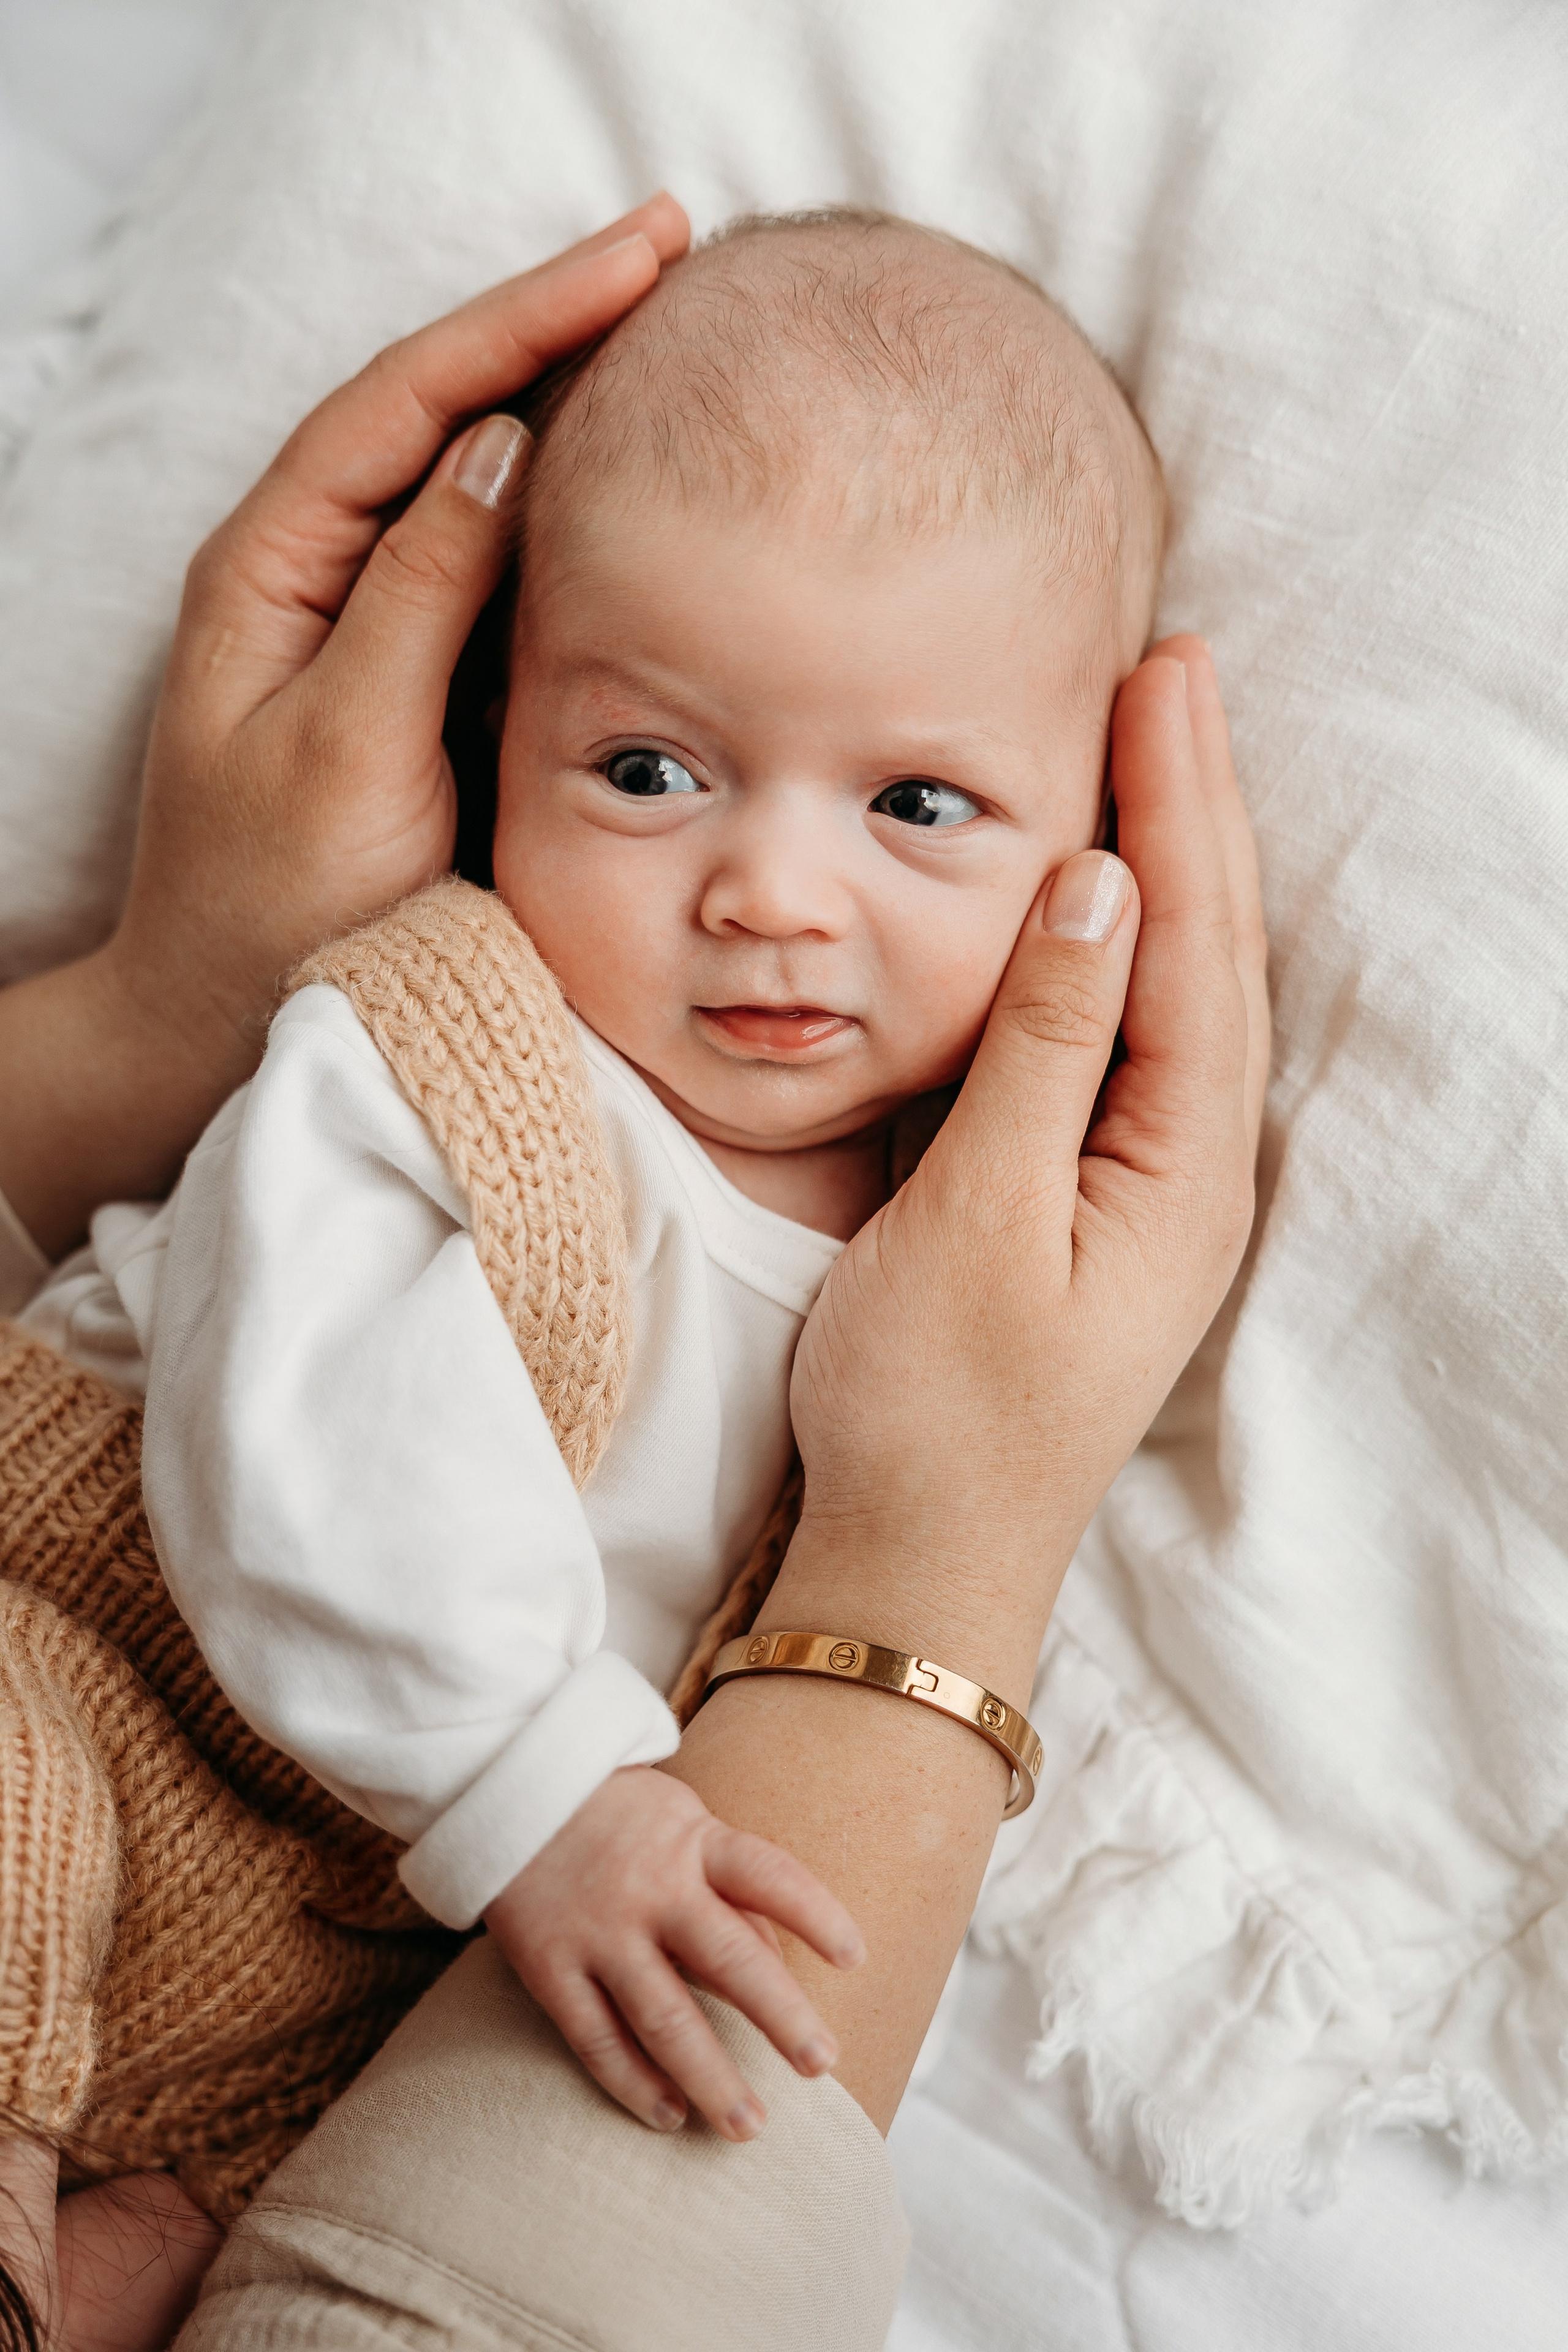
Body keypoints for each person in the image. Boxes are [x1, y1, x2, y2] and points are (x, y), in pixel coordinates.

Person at [0, 194, 1265, 2351]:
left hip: (347, 1953)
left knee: (221, 2242)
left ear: (1099, 848)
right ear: (491, 744)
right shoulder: (448, 1047)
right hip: (107, 1678)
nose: (771, 890)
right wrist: (551, 1795)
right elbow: (315, 1432)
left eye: (919, 804)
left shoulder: (960, 1253)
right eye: (650, 771)